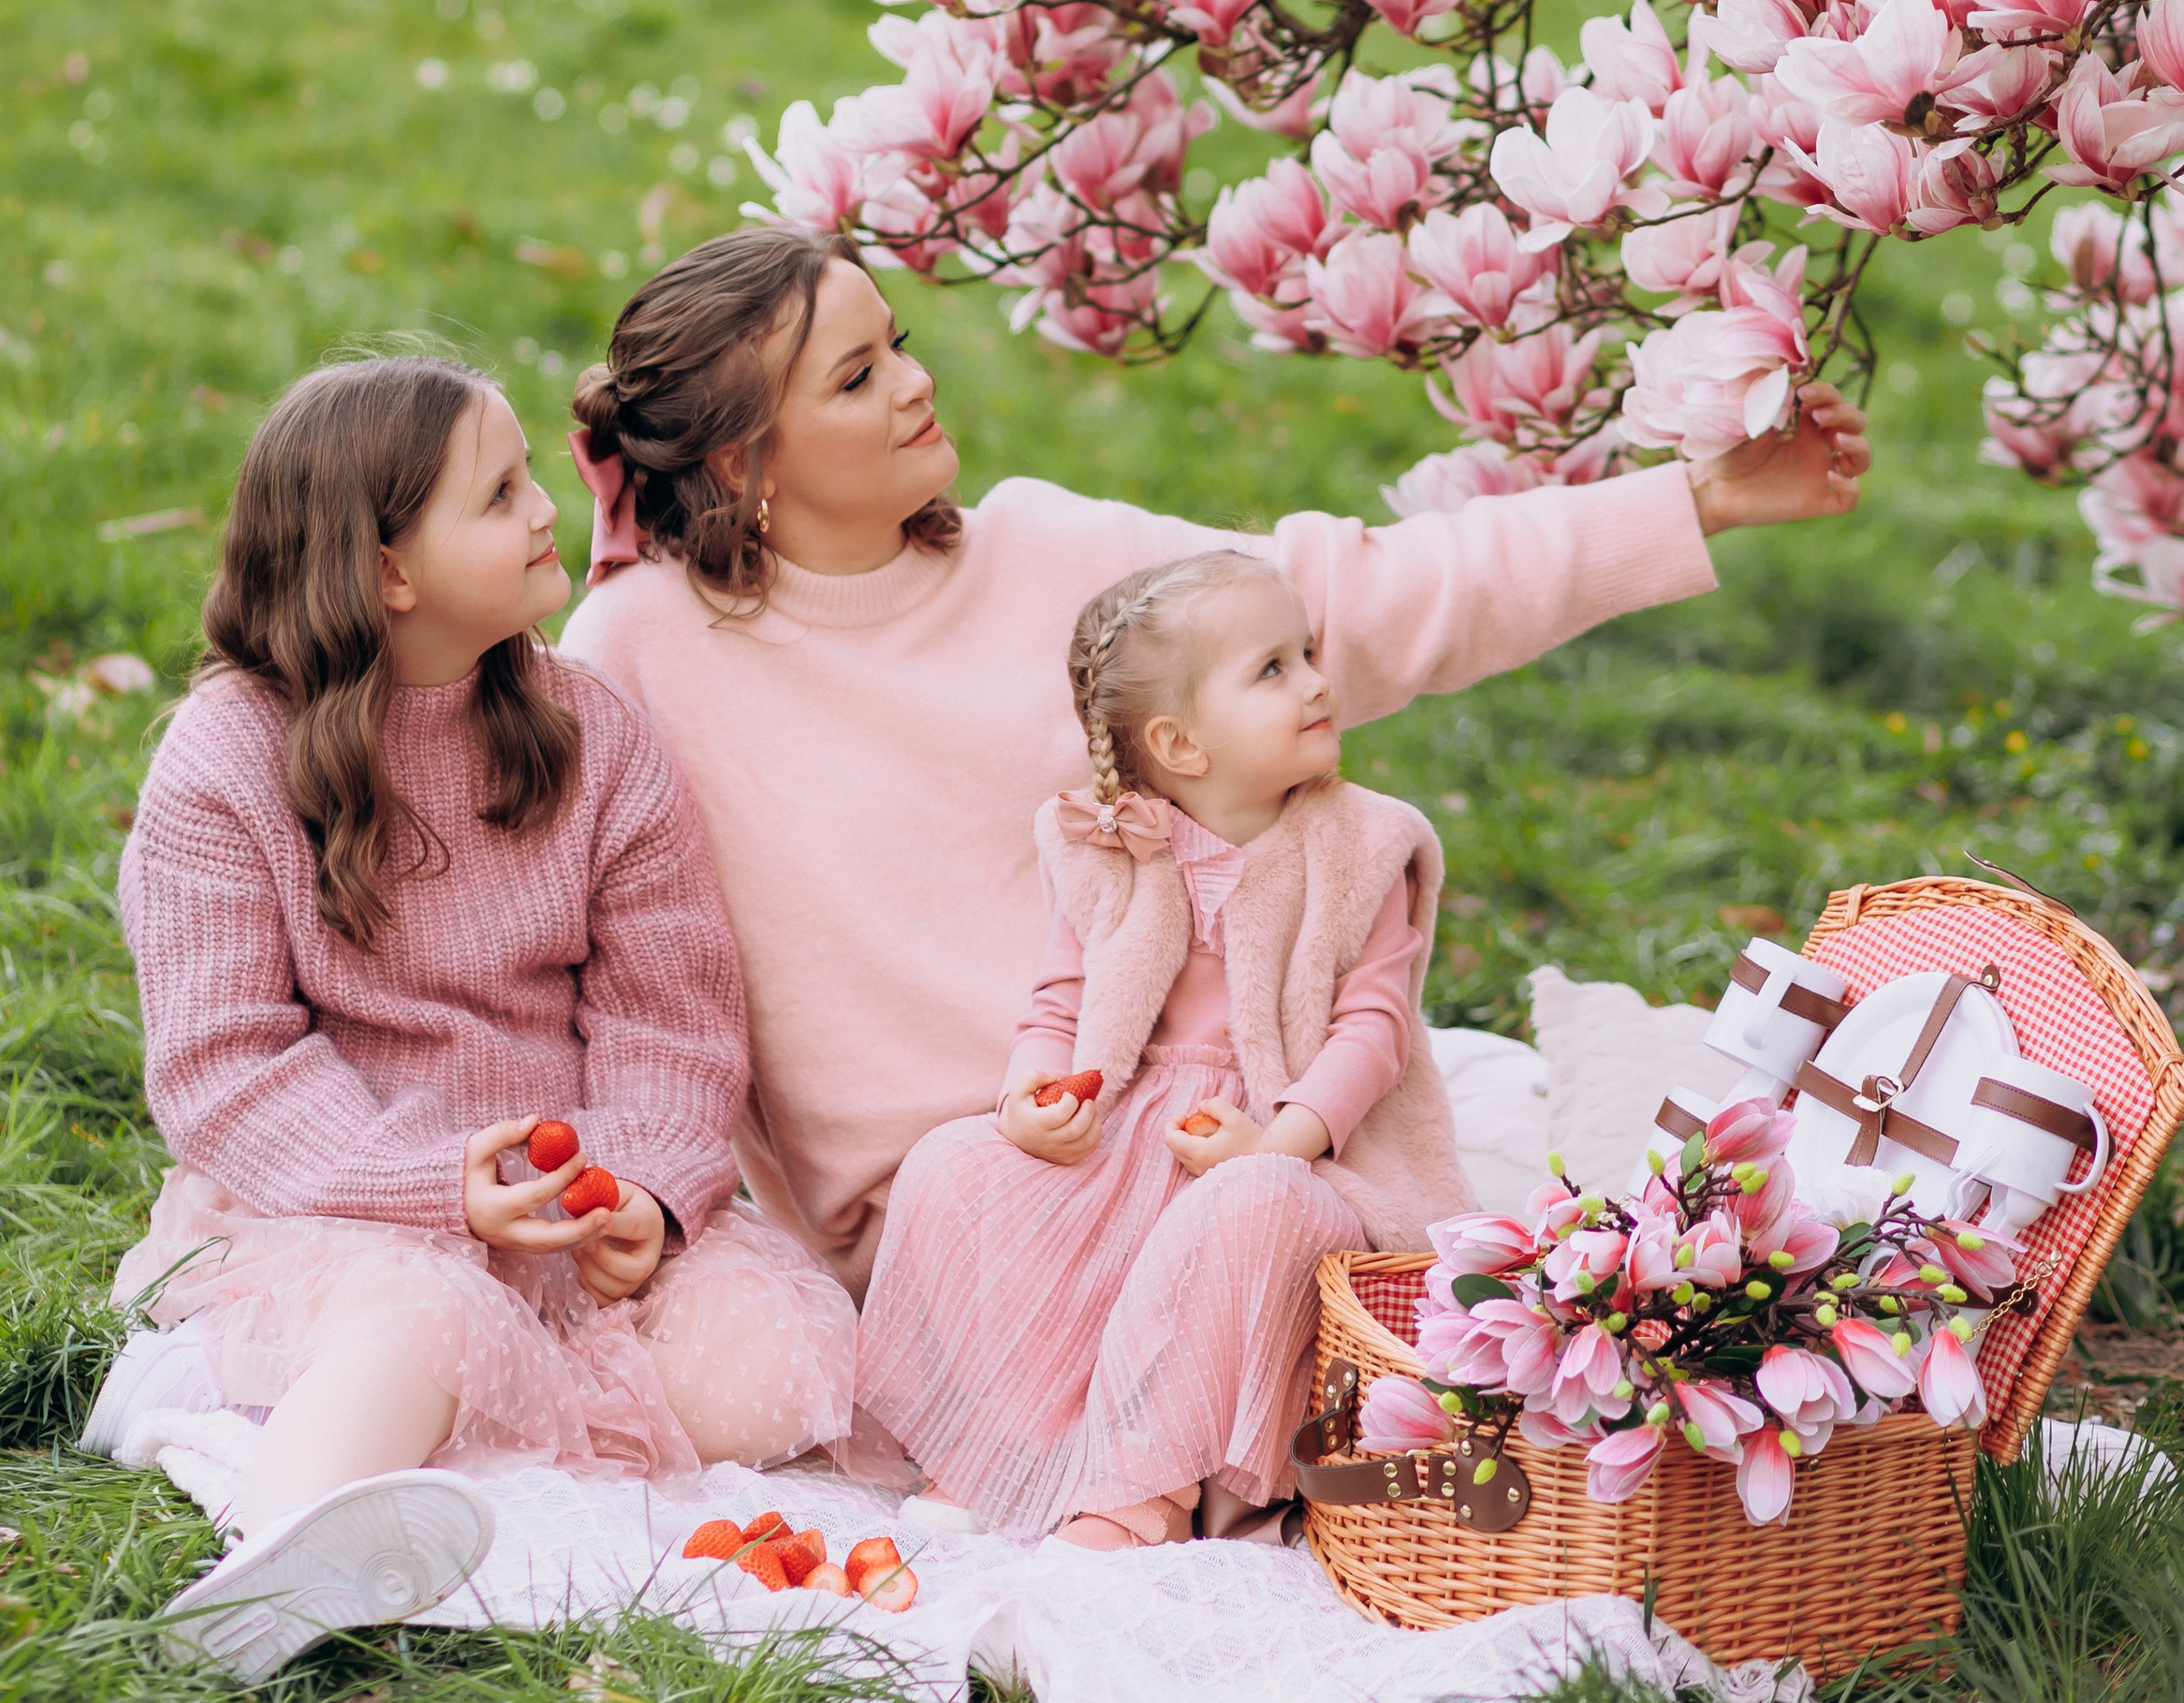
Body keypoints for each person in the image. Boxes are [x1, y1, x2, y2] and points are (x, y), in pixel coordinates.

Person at [561, 228, 1868, 1296]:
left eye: (895, 343)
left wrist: (1693, 499)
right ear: (743, 463)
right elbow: (546, 940)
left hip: (1199, 1136)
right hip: (948, 1212)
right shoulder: (637, 649)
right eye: (855, 379)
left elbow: (1363, 597)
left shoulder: (1042, 554)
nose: (914, 382)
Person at [93, 354, 854, 1680]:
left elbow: (671, 1022)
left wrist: (644, 1198)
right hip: (340, 1205)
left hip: (568, 1207)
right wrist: (435, 1188)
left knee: (770, 1362)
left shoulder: (592, 737)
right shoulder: (227, 761)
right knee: (418, 1324)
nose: (551, 505)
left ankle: (425, 1452)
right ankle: (266, 1574)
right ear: (391, 571)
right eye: (499, 494)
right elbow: (226, 1067)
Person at [857, 548, 1460, 1544]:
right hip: (1134, 1121)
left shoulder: (1363, 848)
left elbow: (1374, 1033)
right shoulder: (1107, 845)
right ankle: (997, 1447)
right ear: (1180, 743)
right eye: (1271, 669)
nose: (1316, 680)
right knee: (955, 1167)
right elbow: (1060, 1000)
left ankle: (1143, 1489)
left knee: (1245, 1209)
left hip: (1292, 1145)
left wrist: (1277, 1145)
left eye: (1306, 652)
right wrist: (1030, 1097)